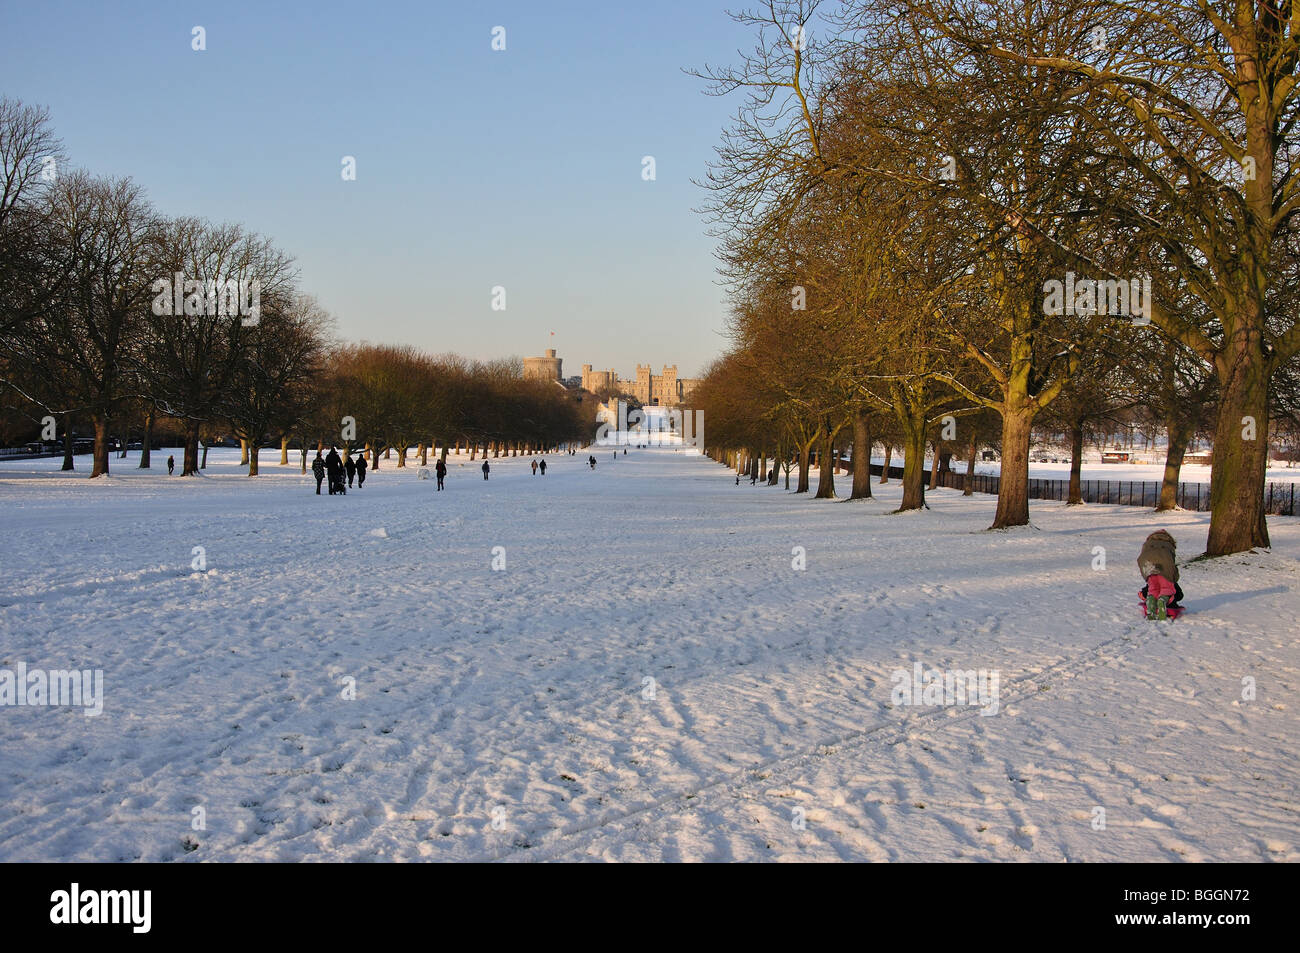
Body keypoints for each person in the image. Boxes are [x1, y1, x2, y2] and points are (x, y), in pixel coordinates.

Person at [1138, 529, 1185, 619]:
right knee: (1167, 587)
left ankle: (1151, 601)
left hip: (1148, 567)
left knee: (1153, 587)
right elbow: (1171, 564)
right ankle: (1163, 600)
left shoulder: (1148, 544)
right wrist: (1174, 577)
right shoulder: (1169, 545)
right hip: (1164, 568)